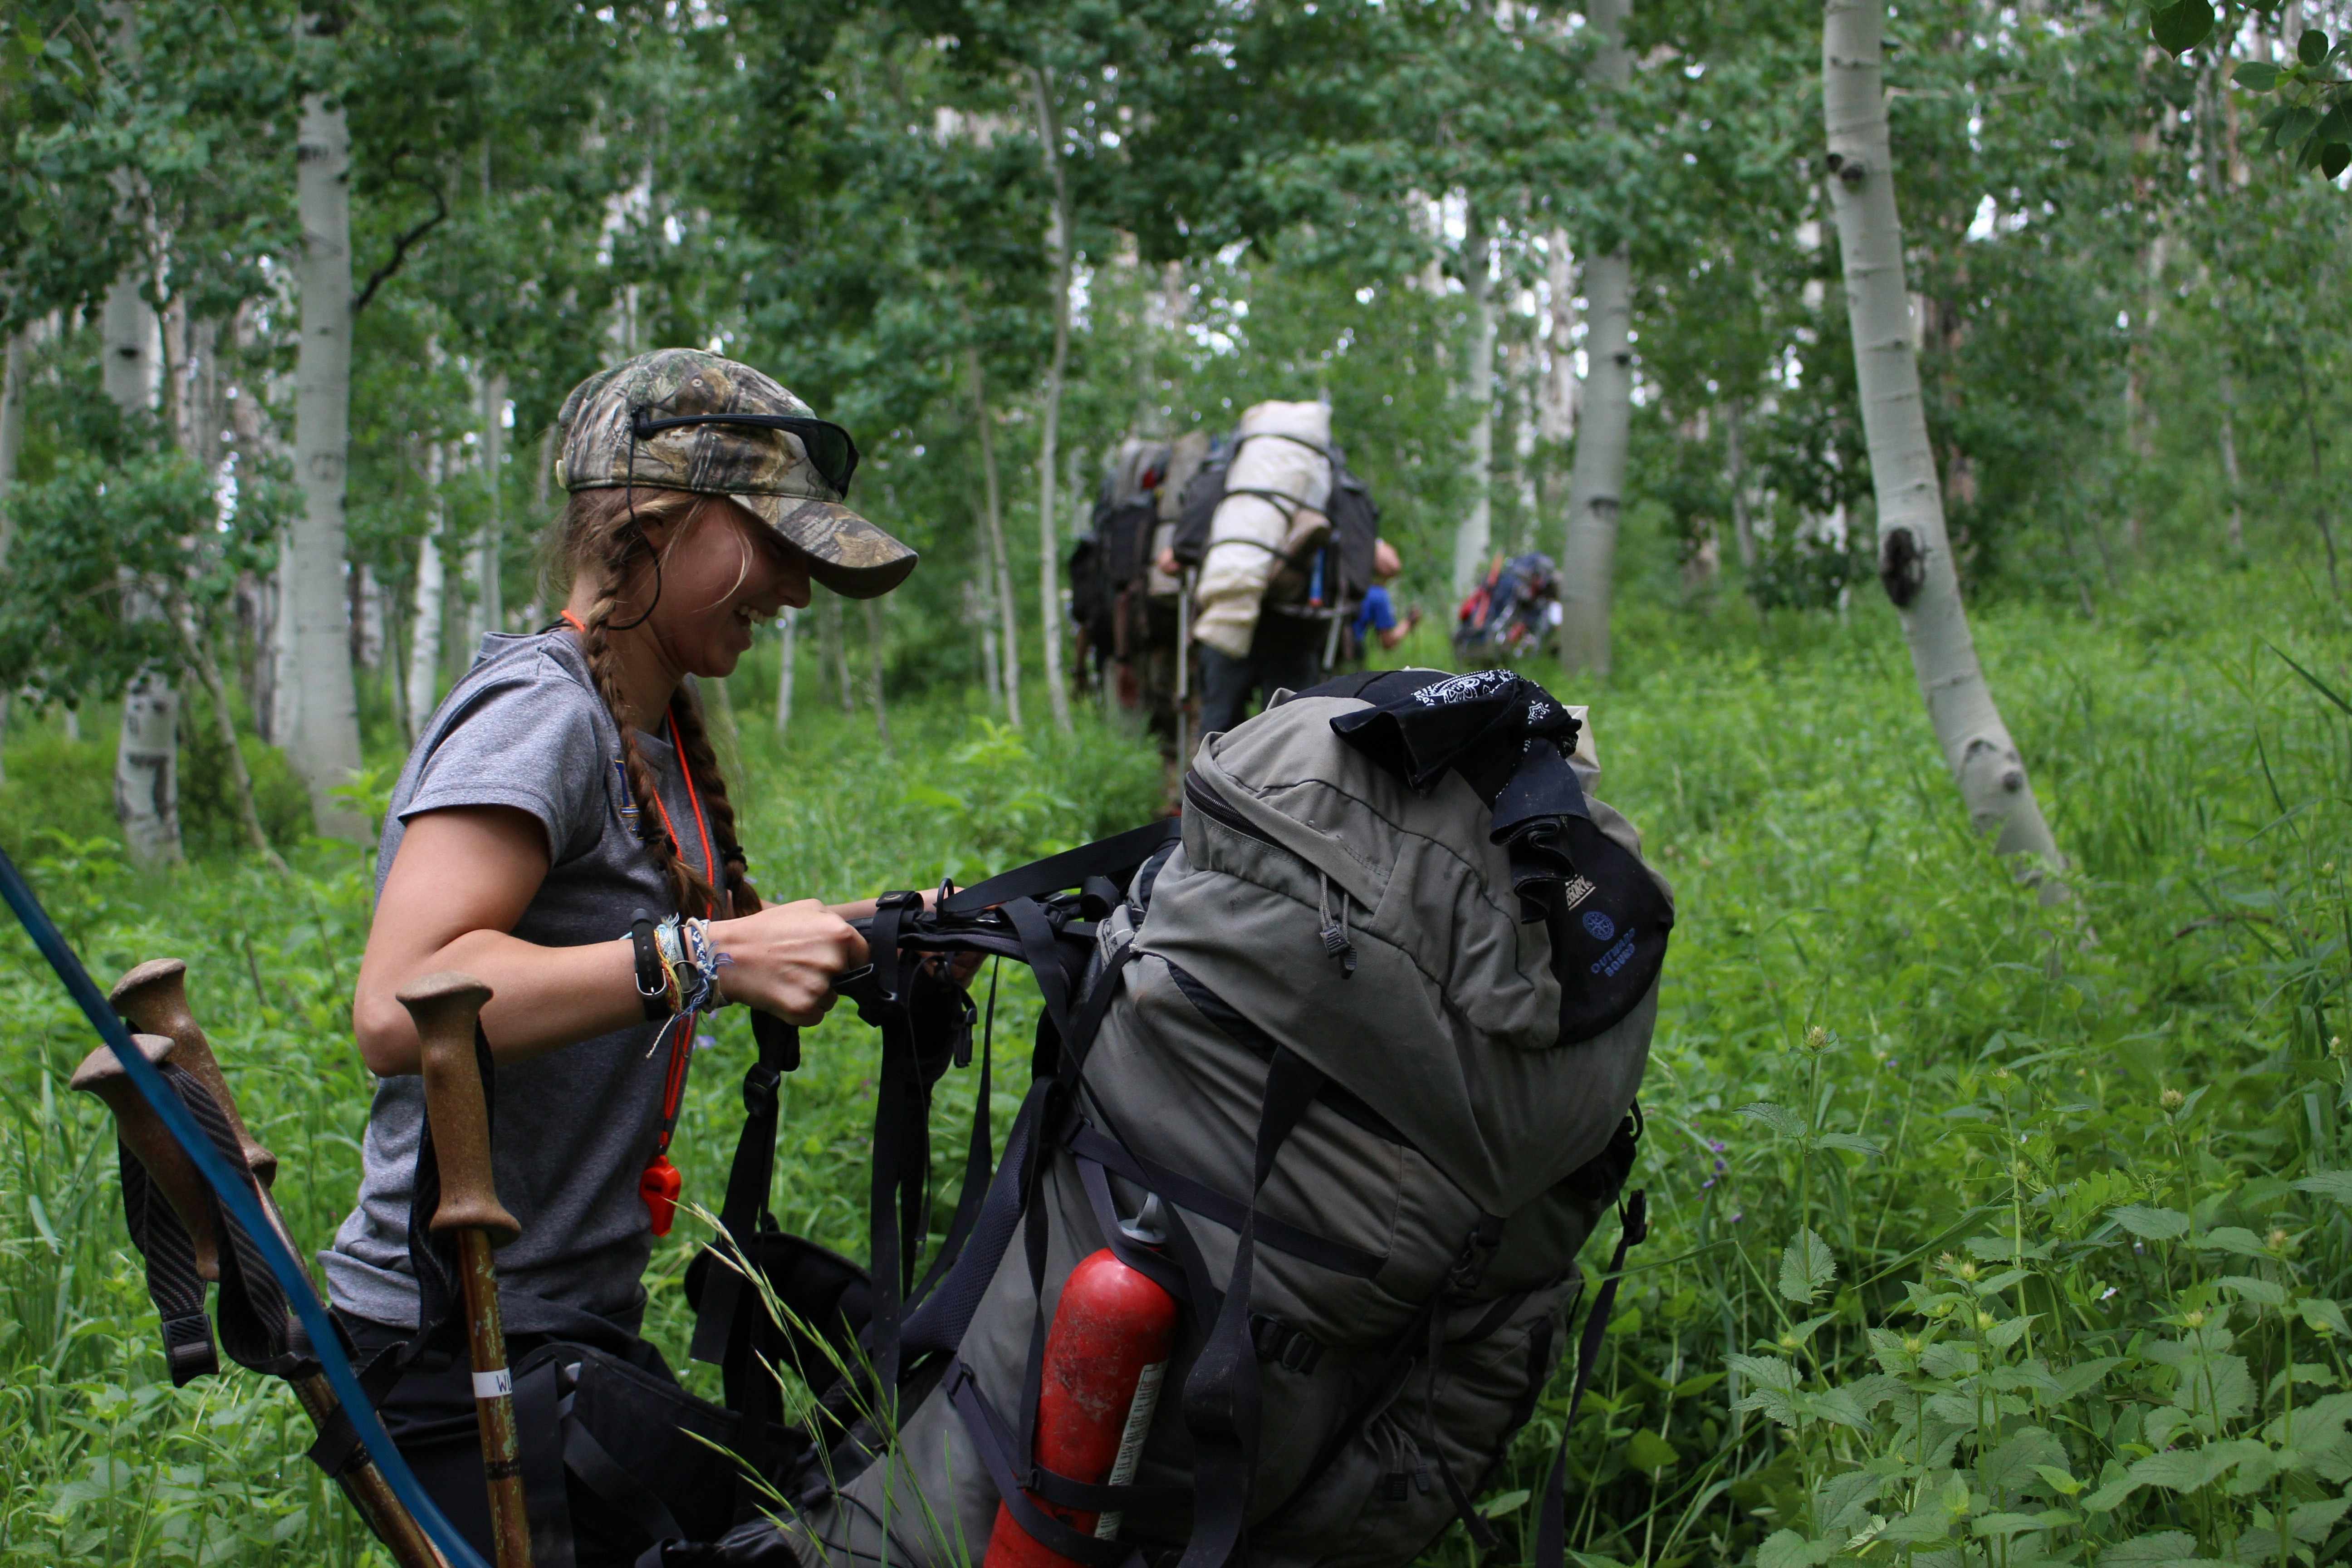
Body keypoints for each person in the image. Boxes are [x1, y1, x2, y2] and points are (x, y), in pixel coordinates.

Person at [323, 348, 919, 1563]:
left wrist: (872, 938)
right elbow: (397, 1005)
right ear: (649, 523)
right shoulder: (544, 714)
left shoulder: (651, 734)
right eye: (770, 547)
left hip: (562, 1323)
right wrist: (702, 959)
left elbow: (668, 940)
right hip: (452, 1346)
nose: (795, 593)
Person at [1352, 538, 1422, 655]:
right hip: (1350, 650)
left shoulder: (1348, 582)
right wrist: (1409, 622)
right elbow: (1388, 641)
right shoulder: (1378, 595)